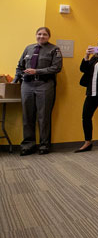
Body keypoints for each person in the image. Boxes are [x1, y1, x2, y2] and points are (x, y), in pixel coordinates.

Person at [14, 27, 63, 155]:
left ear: (49, 36)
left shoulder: (54, 49)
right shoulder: (28, 48)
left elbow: (57, 68)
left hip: (44, 85)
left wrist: (37, 71)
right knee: (27, 116)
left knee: (43, 116)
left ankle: (44, 145)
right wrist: (15, 81)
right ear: (36, 35)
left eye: (45, 34)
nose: (41, 36)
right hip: (27, 85)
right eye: (39, 34)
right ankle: (28, 145)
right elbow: (19, 66)